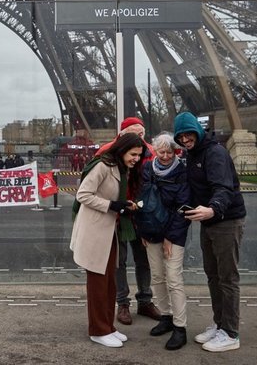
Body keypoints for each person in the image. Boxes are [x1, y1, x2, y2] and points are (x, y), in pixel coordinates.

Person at [174, 112, 246, 353]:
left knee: (227, 278)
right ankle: (220, 325)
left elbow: (224, 188)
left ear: (197, 130)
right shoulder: (192, 154)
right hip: (209, 220)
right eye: (180, 136)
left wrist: (212, 209)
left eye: (188, 134)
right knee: (213, 276)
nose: (184, 139)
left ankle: (231, 333)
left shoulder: (214, 153)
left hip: (225, 220)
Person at [70, 133, 146, 348]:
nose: (136, 159)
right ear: (122, 150)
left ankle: (108, 327)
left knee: (109, 281)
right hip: (95, 232)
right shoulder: (103, 166)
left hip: (109, 232)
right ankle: (98, 330)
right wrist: (113, 205)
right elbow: (83, 194)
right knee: (97, 284)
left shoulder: (120, 168)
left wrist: (123, 204)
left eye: (139, 155)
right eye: (133, 154)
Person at [97, 117, 161, 325]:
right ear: (123, 136)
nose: (138, 139)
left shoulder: (151, 154)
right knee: (119, 261)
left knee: (144, 260)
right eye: (134, 134)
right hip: (117, 215)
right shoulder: (107, 153)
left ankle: (144, 300)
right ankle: (122, 302)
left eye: (141, 134)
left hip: (141, 214)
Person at [139, 132, 191, 350]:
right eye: (162, 152)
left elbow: (184, 206)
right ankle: (166, 317)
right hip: (151, 230)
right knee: (158, 276)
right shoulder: (147, 169)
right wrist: (142, 229)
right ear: (155, 151)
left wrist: (170, 236)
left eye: (170, 151)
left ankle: (180, 327)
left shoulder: (182, 171)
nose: (167, 156)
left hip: (174, 232)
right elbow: (142, 200)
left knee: (173, 277)